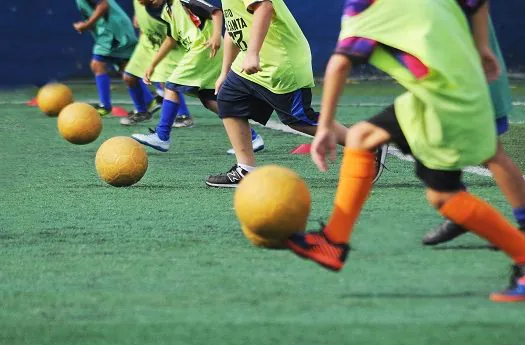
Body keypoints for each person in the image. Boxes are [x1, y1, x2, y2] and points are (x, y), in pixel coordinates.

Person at [287, 0, 525, 302]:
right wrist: (481, 47)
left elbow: (339, 63)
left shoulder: (362, 6)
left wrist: (323, 129)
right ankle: (334, 240)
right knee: (362, 136)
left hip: (446, 101)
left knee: (446, 196)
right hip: (448, 89)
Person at [206, 0, 388, 188]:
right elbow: (234, 28)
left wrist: (253, 53)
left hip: (281, 60)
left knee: (299, 118)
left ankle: (366, 144)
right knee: (228, 99)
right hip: (254, 60)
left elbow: (264, 7)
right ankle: (245, 169)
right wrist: (224, 72)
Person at [423, 17, 525, 245]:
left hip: (469, 73)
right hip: (442, 74)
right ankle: (461, 211)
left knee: (488, 150)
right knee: (437, 142)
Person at [131, 0, 264, 154]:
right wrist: (152, 65)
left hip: (204, 50)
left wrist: (215, 35)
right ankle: (252, 138)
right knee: (209, 101)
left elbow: (216, 12)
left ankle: (162, 136)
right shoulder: (167, 12)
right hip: (203, 55)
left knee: (171, 85)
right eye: (147, 2)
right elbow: (171, 40)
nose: (152, 3)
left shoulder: (184, 1)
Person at [120, 0, 192, 127]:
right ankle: (142, 112)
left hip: (168, 45)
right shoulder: (138, 3)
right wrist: (139, 18)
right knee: (129, 77)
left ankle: (184, 116)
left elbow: (173, 37)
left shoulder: (169, 8)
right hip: (147, 43)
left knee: (166, 82)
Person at [74, 0, 137, 116]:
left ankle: (105, 105)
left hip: (112, 30)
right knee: (126, 69)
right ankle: (147, 102)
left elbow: (103, 4)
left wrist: (86, 25)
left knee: (97, 64)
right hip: (115, 28)